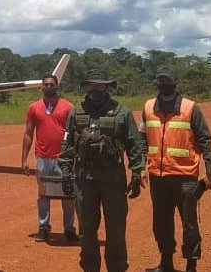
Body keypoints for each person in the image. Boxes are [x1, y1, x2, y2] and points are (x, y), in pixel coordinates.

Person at [58, 71, 146, 272]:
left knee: (115, 230)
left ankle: (116, 267)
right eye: (91, 86)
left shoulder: (121, 112)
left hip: (113, 178)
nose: (95, 90)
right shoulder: (76, 112)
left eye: (100, 86)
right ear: (86, 87)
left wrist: (136, 173)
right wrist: (65, 172)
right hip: (84, 179)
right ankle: (90, 268)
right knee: (87, 229)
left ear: (107, 87)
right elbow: (68, 145)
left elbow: (133, 144)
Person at [142, 70, 211, 272]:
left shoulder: (190, 108)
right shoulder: (149, 107)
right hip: (158, 176)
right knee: (161, 223)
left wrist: (210, 171)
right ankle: (166, 263)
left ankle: (191, 265)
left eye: (168, 80)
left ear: (176, 82)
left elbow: (205, 139)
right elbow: (142, 138)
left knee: (189, 223)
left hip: (185, 177)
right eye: (161, 80)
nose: (164, 83)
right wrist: (141, 166)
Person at [21, 74, 76, 242]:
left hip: (64, 158)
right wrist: (24, 159)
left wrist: (74, 156)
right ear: (41, 87)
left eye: (52, 85)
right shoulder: (34, 108)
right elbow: (29, 134)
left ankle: (69, 229)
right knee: (43, 194)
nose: (48, 87)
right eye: (46, 84)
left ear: (57, 87)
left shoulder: (68, 107)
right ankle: (44, 227)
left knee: (68, 194)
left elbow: (74, 134)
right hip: (43, 157)